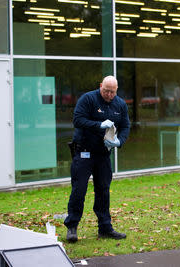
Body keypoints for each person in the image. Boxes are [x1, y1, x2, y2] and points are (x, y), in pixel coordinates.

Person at [64, 76, 130, 242]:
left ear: (117, 90)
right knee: (79, 190)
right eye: (106, 90)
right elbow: (78, 120)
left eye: (112, 92)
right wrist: (98, 124)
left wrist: (119, 141)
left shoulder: (120, 104)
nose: (108, 94)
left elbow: (125, 126)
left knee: (103, 190)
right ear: (101, 86)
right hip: (84, 151)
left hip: (103, 154)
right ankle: (72, 227)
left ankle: (105, 228)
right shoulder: (88, 99)